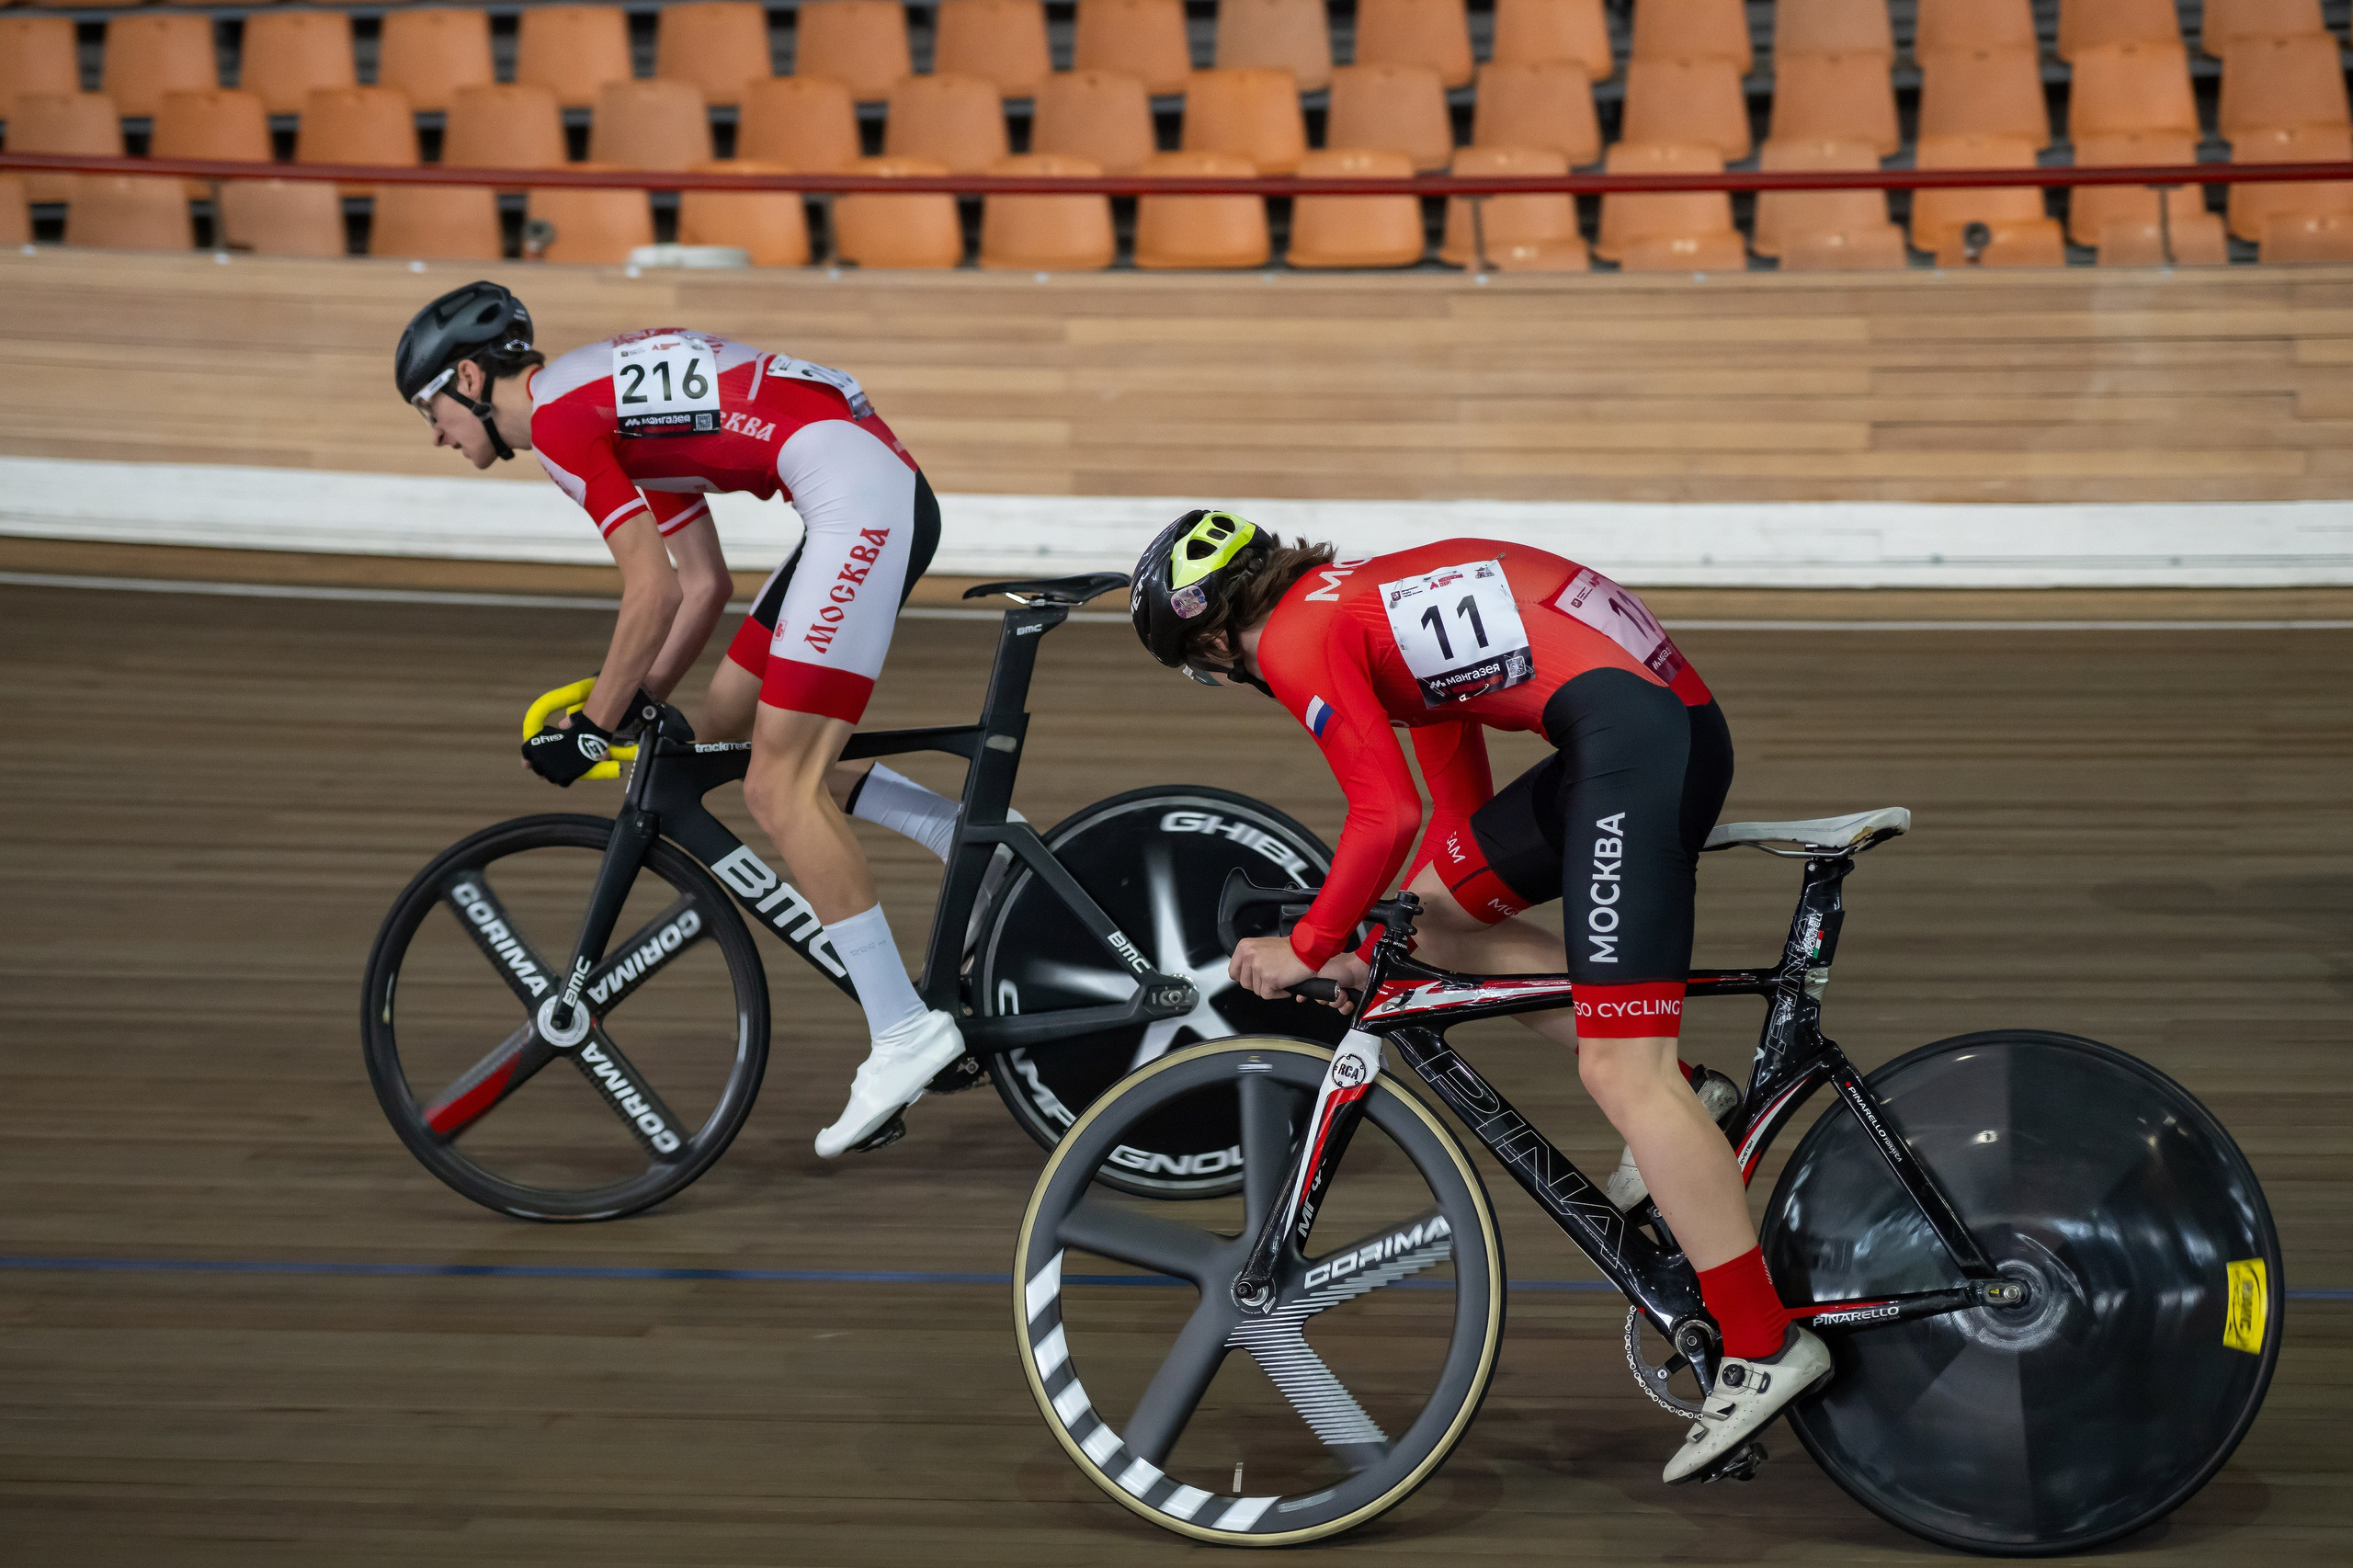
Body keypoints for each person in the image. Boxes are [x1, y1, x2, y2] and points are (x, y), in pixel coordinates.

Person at [1128, 510, 1830, 1484]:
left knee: (1619, 1069)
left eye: (1203, 669)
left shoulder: (1289, 638)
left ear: (1210, 638)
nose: (1220, 677)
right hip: (1643, 722)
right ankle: (1696, 1094)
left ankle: (1760, 1343)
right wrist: (1386, 931)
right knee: (1433, 919)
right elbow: (1452, 797)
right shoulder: (1357, 596)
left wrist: (1307, 943)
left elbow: (1386, 811)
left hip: (1631, 740)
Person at [395, 280, 972, 1156]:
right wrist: (633, 705)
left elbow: (651, 586)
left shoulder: (555, 423)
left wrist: (594, 720)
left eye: (428, 408)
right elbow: (702, 583)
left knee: (782, 784)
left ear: (469, 376)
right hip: (853, 482)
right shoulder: (588, 407)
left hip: (856, 493)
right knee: (729, 733)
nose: (433, 432)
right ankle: (957, 833)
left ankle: (903, 1032)